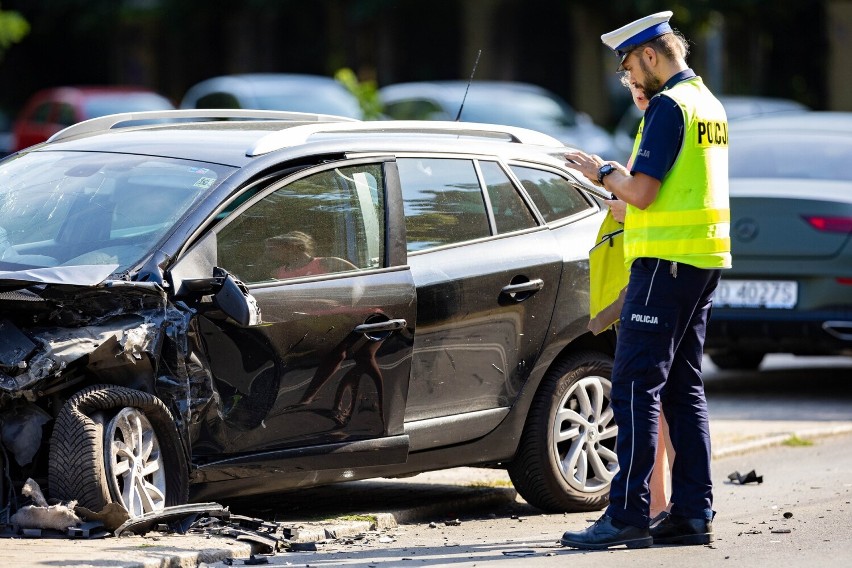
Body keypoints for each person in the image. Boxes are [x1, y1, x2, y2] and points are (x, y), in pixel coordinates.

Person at [560, 10, 731, 550]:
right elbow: (666, 197)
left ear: (652, 56)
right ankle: (692, 512)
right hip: (700, 263)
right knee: (684, 388)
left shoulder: (668, 107)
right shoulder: (708, 104)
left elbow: (644, 192)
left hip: (662, 267)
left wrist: (600, 170)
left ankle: (627, 514)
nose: (633, 81)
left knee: (635, 387)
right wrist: (620, 202)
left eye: (633, 69)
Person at [265, 231, 357, 279]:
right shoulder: (276, 274)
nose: (267, 253)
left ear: (292, 248)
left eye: (272, 249)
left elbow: (365, 282)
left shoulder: (329, 263)